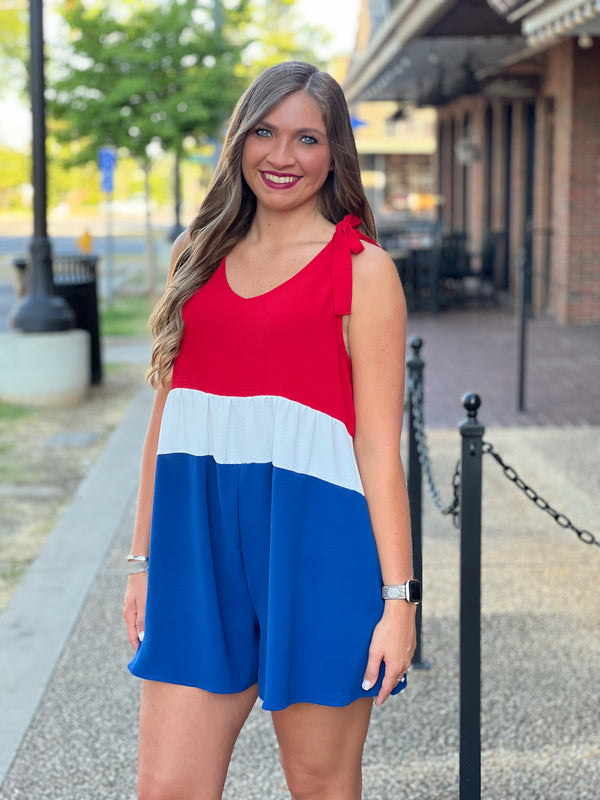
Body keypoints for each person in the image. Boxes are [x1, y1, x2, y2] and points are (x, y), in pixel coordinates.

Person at [123, 61, 418, 800]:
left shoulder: (363, 272)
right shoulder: (197, 257)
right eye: (265, 132)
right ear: (240, 140)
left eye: (306, 138)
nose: (282, 157)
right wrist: (140, 562)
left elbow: (379, 446)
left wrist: (399, 601)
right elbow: (169, 414)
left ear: (334, 153)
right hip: (198, 558)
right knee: (167, 787)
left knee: (318, 785)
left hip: (320, 553)